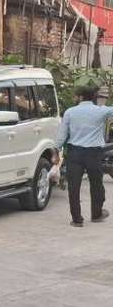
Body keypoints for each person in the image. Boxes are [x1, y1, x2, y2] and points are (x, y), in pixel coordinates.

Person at [56, 82, 113, 227]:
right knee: (96, 184)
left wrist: (56, 150)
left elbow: (62, 135)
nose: (74, 97)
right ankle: (97, 214)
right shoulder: (101, 111)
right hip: (94, 153)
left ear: (80, 97)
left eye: (75, 95)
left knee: (74, 186)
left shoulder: (70, 112)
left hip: (75, 153)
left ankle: (77, 220)